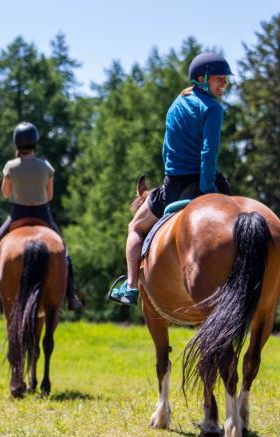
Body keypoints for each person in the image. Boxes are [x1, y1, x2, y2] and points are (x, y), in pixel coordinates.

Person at [109, 52, 233, 305]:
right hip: (206, 181)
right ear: (202, 78)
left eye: (226, 79)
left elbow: (167, 148)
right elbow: (209, 152)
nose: (225, 84)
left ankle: (131, 286)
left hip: (174, 186)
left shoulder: (177, 103)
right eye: (219, 78)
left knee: (135, 227)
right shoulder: (212, 108)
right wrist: (208, 188)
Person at [0, 122, 85, 312]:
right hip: (43, 215)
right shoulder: (46, 167)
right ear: (35, 143)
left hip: (18, 215)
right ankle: (71, 295)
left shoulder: (10, 167)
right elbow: (49, 196)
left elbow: (6, 194)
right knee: (64, 254)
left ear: (16, 144)